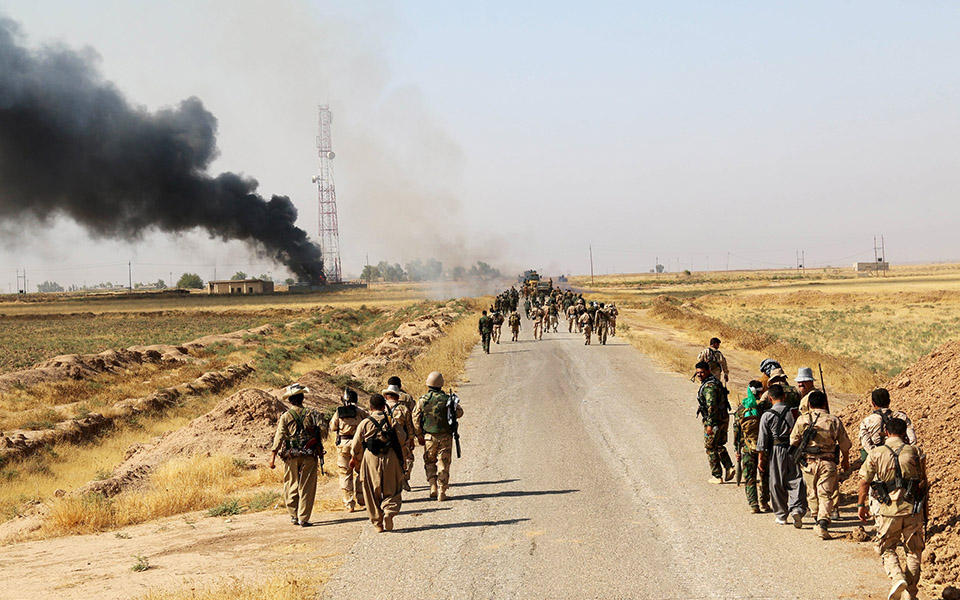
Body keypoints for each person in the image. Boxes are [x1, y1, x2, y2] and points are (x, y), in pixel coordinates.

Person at [858, 418, 926, 600]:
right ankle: (909, 593)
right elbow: (922, 481)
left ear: (886, 433)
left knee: (887, 547)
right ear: (905, 433)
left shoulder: (876, 453)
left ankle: (897, 577)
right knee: (913, 551)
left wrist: (860, 505)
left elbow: (864, 481)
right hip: (912, 509)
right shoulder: (915, 452)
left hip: (888, 511)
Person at [790, 390, 852, 540]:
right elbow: (845, 444)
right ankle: (823, 522)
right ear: (825, 403)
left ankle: (818, 519)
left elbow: (793, 442)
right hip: (828, 462)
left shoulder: (802, 420)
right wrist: (845, 459)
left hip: (808, 463)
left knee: (812, 492)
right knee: (825, 493)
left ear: (809, 404)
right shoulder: (834, 420)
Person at [349, 394, 406, 532]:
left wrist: (354, 457)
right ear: (383, 406)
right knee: (392, 488)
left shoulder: (365, 423)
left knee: (370, 491)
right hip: (390, 457)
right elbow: (402, 438)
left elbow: (356, 445)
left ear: (370, 407)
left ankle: (378, 523)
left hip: (371, 459)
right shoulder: (391, 420)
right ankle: (389, 512)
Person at [269, 383, 322, 527]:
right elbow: (322, 432)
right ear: (303, 397)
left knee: (291, 483)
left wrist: (273, 456)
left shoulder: (286, 416)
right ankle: (303, 518)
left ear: (290, 400)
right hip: (309, 455)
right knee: (307, 486)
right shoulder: (312, 414)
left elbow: (279, 436)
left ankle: (293, 515)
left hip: (291, 455)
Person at [757, 384, 807, 526]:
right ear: (784, 397)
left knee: (777, 482)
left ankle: (781, 515)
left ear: (770, 398)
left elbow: (762, 440)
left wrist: (761, 459)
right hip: (793, 448)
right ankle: (797, 509)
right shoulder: (794, 412)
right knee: (796, 480)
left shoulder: (767, 415)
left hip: (777, 449)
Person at [413, 371, 463, 501]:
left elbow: (415, 418)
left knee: (430, 462)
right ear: (441, 384)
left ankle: (432, 486)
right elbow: (459, 413)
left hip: (429, 437)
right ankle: (442, 490)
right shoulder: (448, 399)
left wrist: (419, 435)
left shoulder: (423, 400)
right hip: (445, 437)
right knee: (444, 463)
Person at [328, 388, 368, 512]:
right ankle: (362, 499)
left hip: (343, 445)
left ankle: (349, 504)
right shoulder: (361, 412)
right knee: (361, 472)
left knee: (345, 475)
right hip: (358, 445)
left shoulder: (339, 412)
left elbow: (333, 427)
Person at [733, 380, 770, 513]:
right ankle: (765, 502)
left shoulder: (741, 409)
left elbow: (737, 432)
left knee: (749, 476)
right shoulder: (765, 407)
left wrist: (737, 449)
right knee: (765, 475)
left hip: (748, 448)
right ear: (761, 392)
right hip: (764, 447)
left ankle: (753, 504)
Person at [695, 361, 734, 483]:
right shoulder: (715, 383)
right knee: (718, 445)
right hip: (723, 419)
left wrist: (710, 425)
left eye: (702, 372)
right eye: (697, 373)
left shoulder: (709, 387)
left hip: (715, 421)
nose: (699, 375)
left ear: (708, 371)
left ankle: (717, 476)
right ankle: (729, 467)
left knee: (710, 447)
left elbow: (711, 405)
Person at [859, 388, 917, 459]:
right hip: (901, 456)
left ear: (873, 403)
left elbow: (866, 444)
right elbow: (912, 439)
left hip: (879, 458)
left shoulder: (866, 421)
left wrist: (877, 456)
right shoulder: (901, 417)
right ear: (889, 401)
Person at [383, 384, 415, 492]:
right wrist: (411, 440)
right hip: (401, 440)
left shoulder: (382, 409)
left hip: (385, 441)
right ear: (397, 397)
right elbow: (409, 426)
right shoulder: (403, 409)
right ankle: (402, 480)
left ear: (386, 396)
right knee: (403, 462)